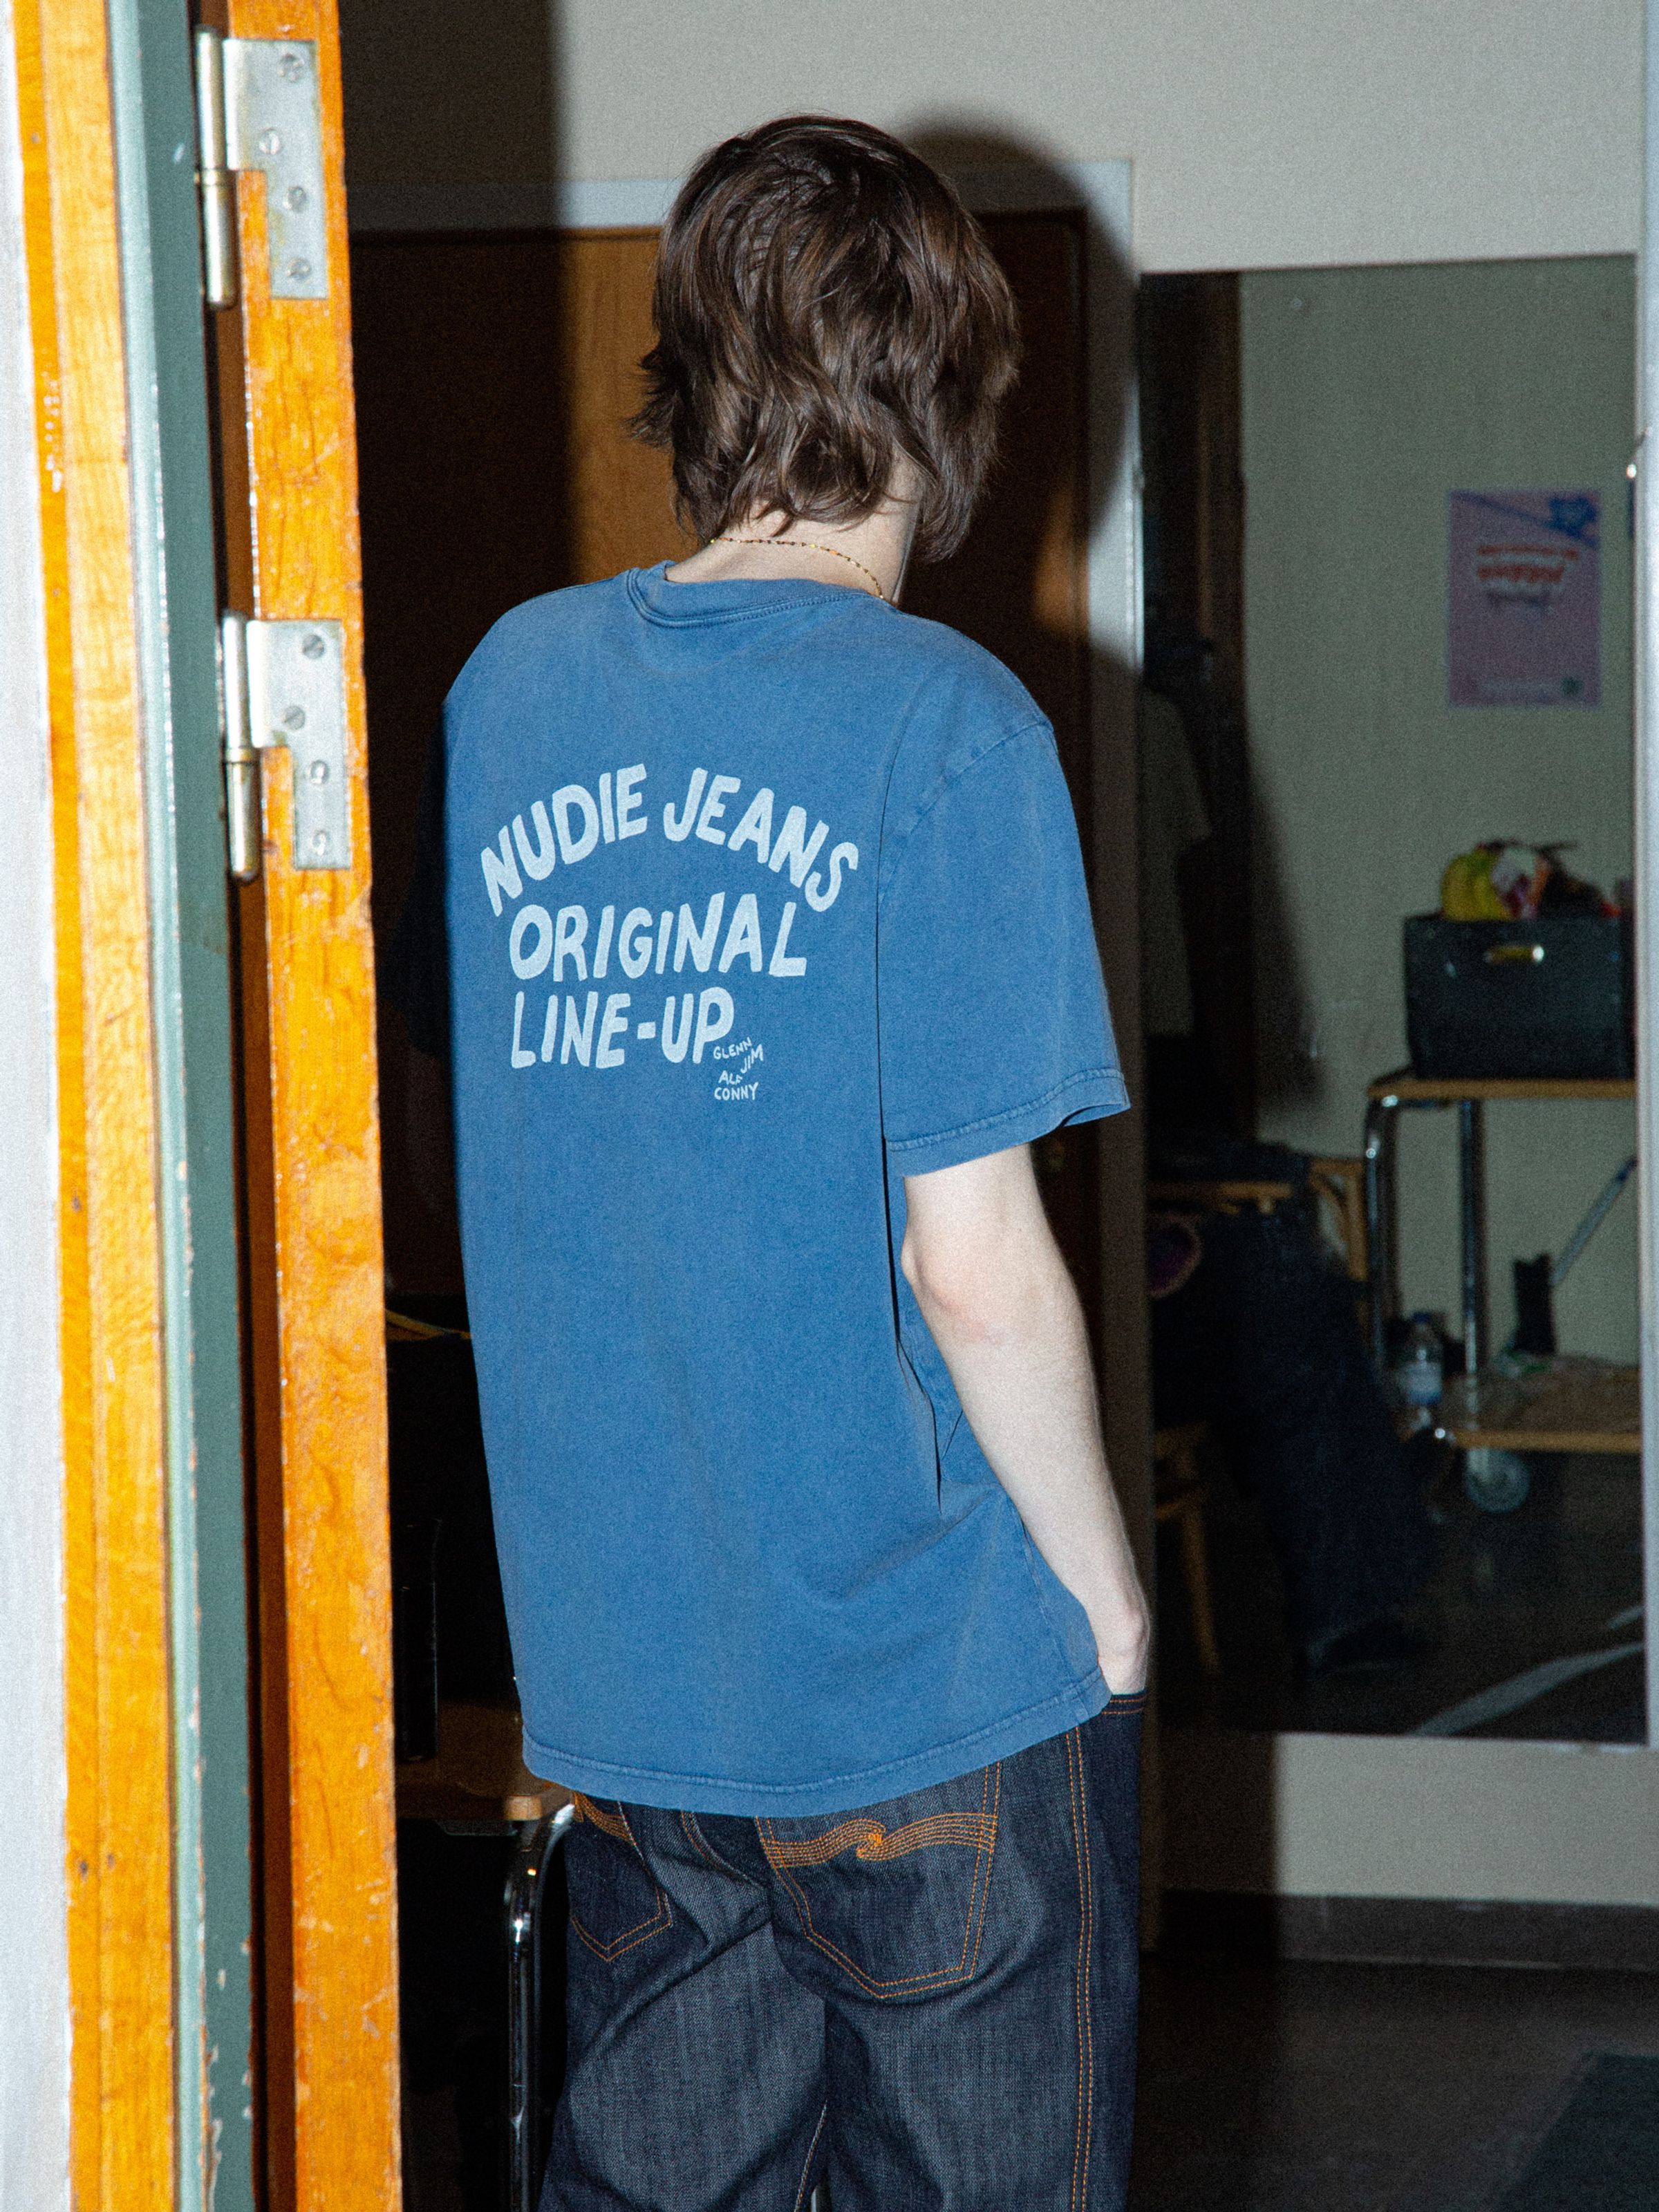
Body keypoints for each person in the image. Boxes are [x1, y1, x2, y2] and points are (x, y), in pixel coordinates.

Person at [390, 115, 1149, 2212]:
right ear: (948, 395)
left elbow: (471, 1151)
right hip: (929, 1710)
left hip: (634, 1712)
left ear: (691, 378)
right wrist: (1104, 1611)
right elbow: (974, 1262)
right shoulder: (947, 720)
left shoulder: (507, 695)